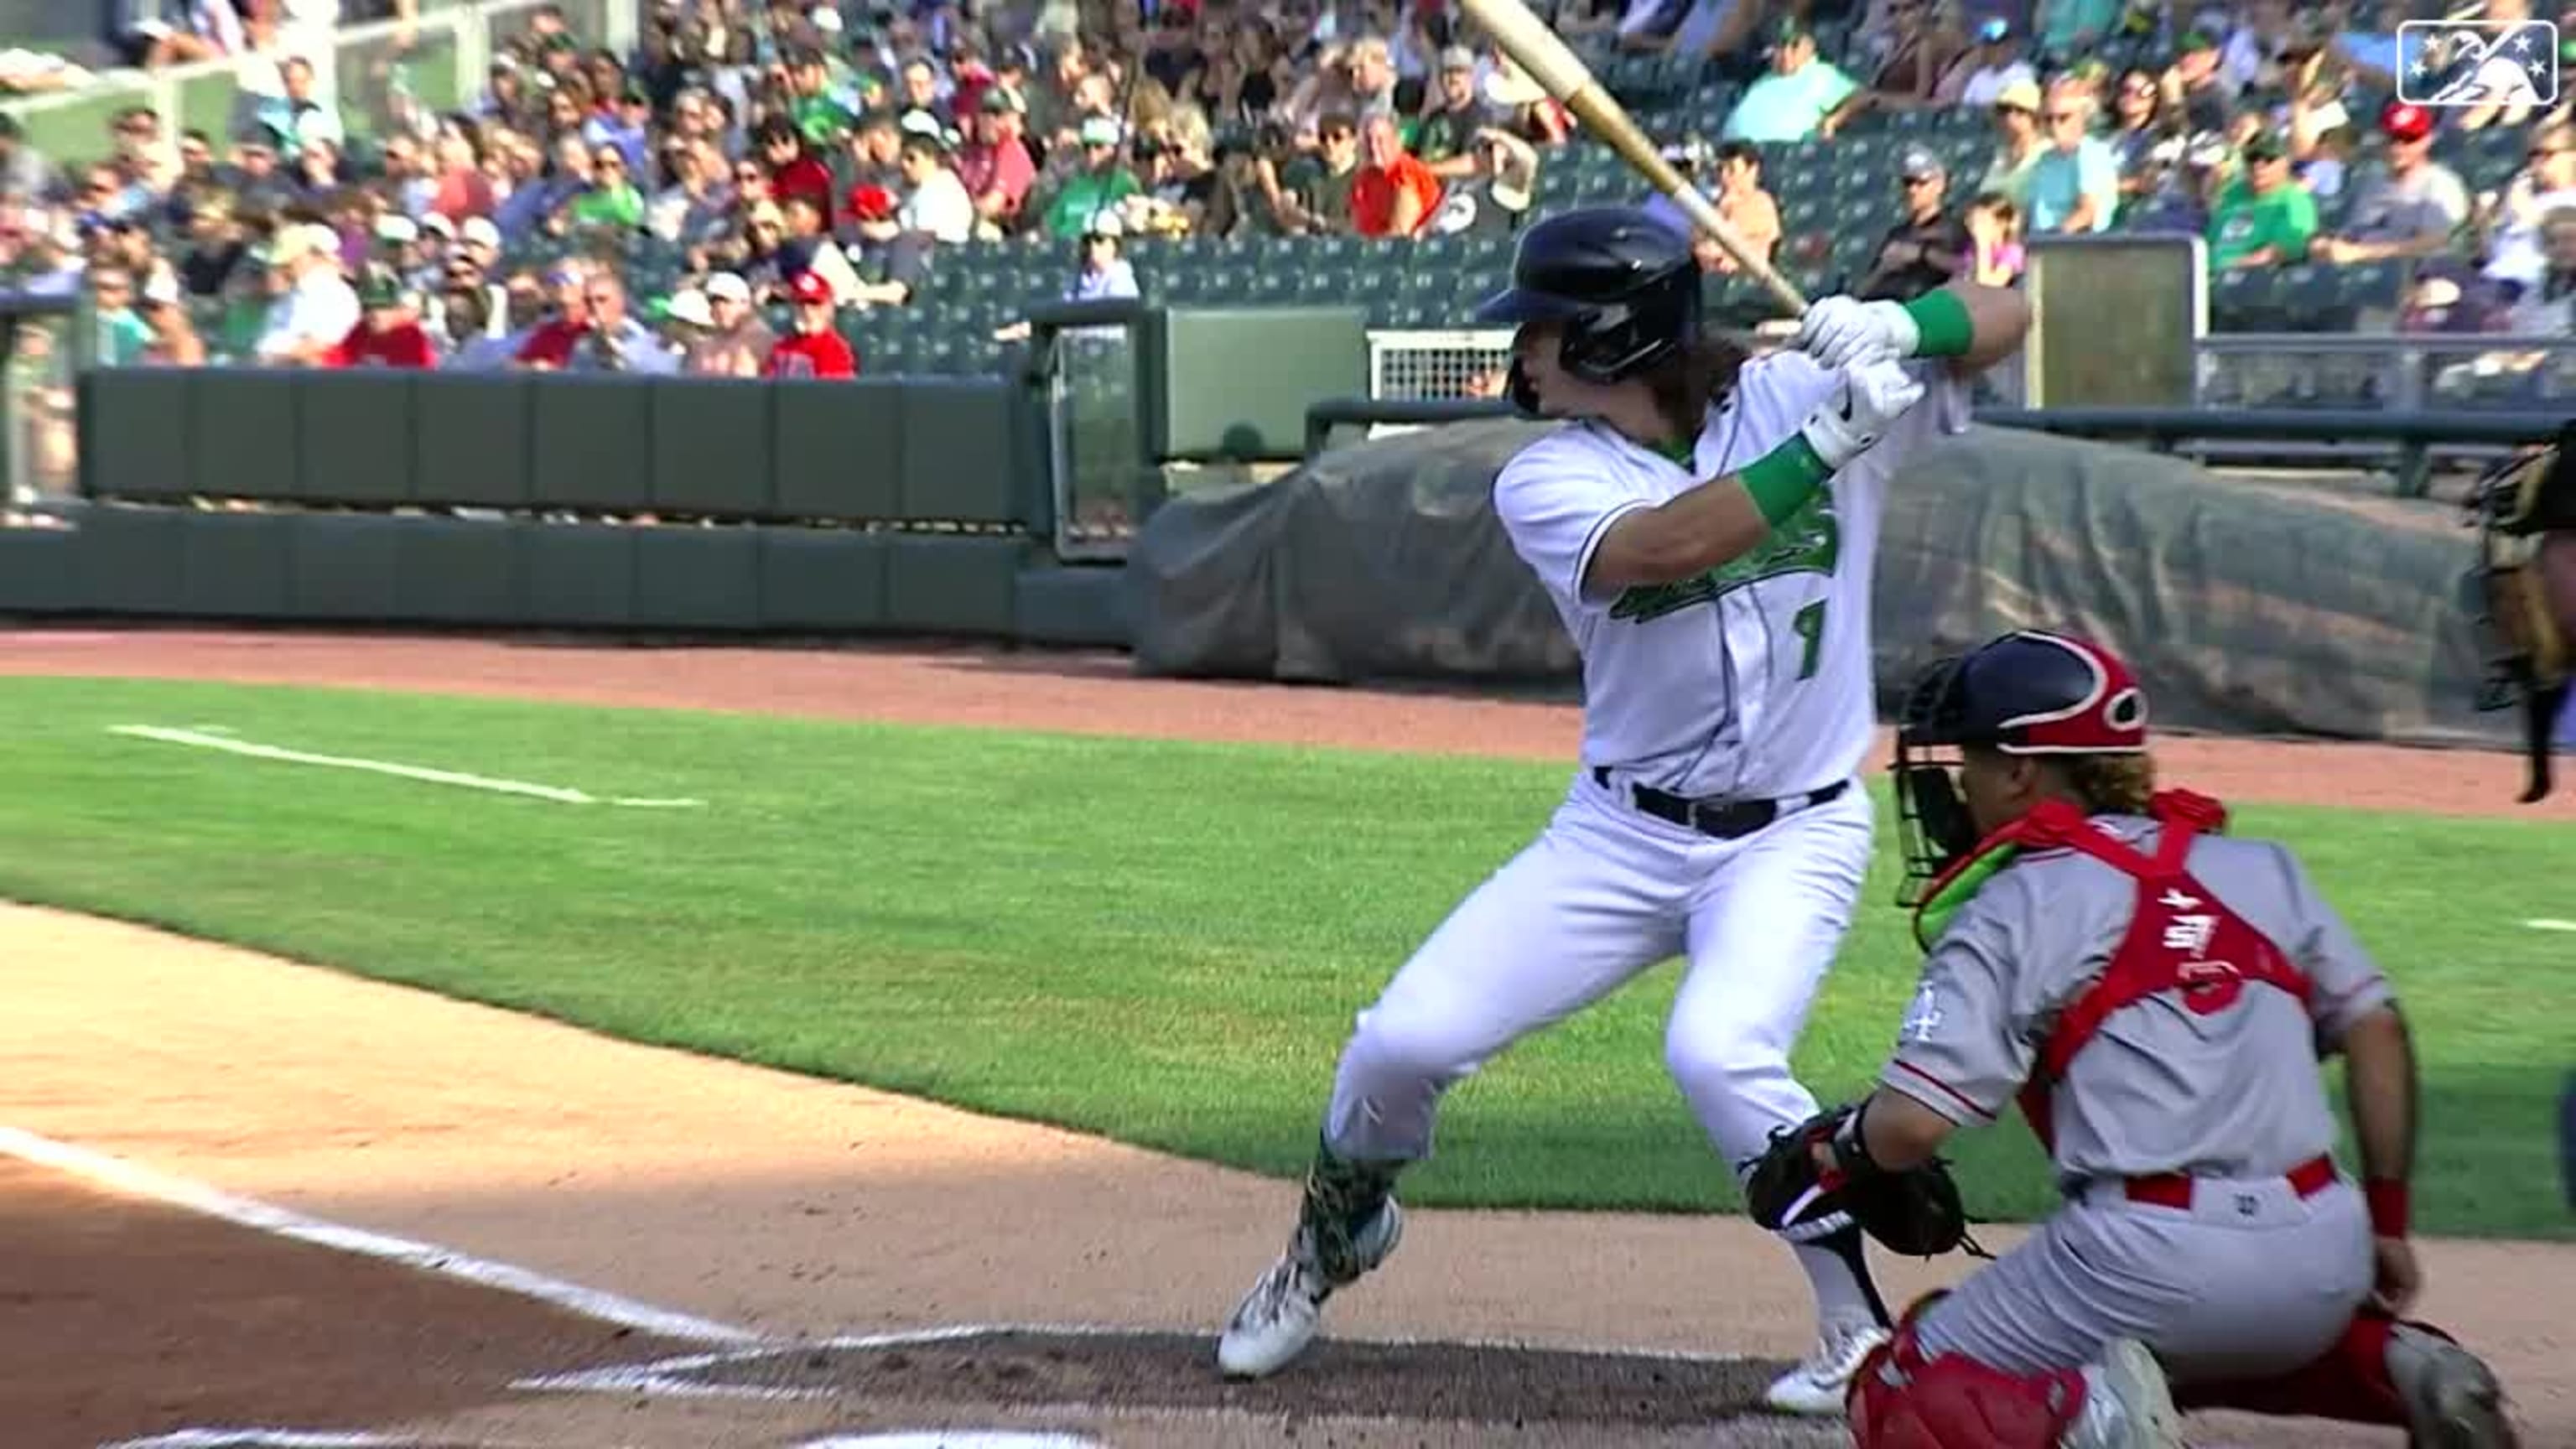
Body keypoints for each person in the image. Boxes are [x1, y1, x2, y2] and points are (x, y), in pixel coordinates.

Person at [1211, 205, 2033, 1417]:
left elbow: (2012, 316)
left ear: (1610, 337)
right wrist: (1837, 436)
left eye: (1543, 328)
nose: (1521, 352)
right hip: (1622, 836)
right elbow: (1670, 547)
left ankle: (1856, 1331)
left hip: (1796, 832)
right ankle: (1336, 1237)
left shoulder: (1806, 380)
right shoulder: (1550, 474)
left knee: (1720, 1050)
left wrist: (1897, 324)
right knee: (1403, 1043)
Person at [1779, 628, 2521, 1447]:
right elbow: (2378, 1031)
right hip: (2324, 1245)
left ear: (2021, 769)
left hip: (2146, 1253)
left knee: (1904, 1386)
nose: (1960, 785)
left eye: (1972, 762)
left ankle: (2089, 1424)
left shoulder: (2016, 904)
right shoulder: (2261, 868)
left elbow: (1913, 1125)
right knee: (2197, 1336)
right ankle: (2408, 1368)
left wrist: (1842, 1149)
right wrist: (2385, 1223)